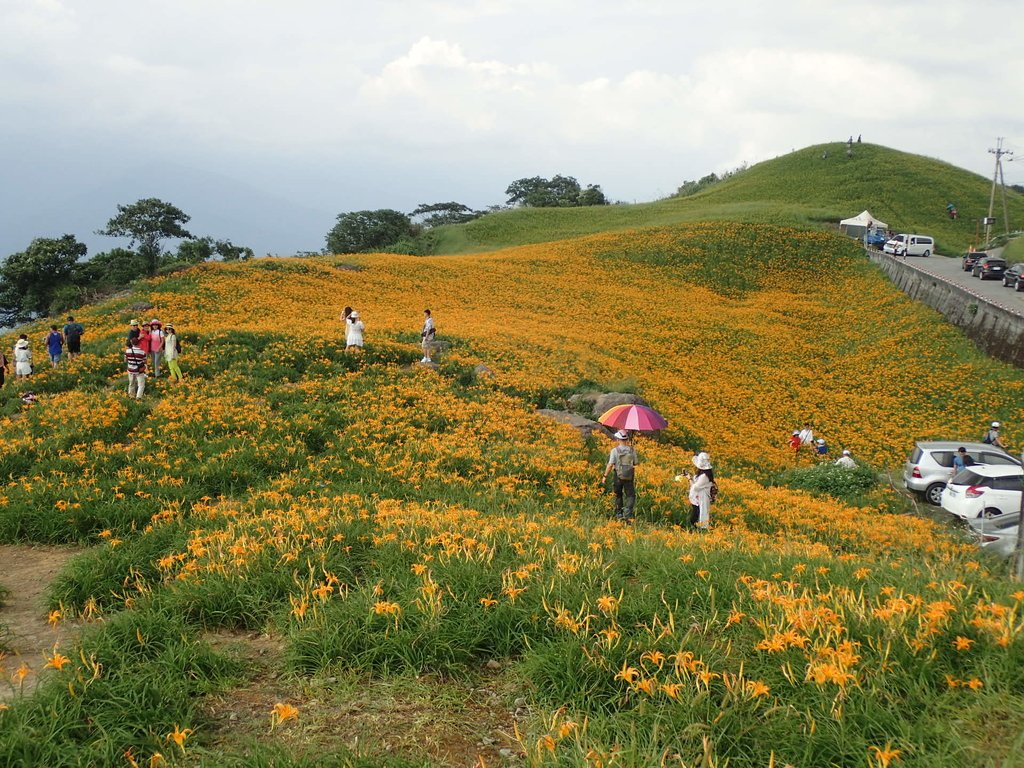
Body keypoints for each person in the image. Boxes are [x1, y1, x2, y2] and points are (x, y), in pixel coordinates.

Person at [602, 430, 639, 521]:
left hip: (618, 475)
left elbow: (610, 464)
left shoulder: (615, 450)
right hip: (629, 476)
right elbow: (636, 463)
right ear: (626, 439)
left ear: (618, 439)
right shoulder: (632, 450)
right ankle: (628, 513)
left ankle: (619, 514)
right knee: (631, 495)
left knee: (618, 495)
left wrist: (605, 476)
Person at [683, 452, 714, 529]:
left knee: (697, 518)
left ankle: (699, 532)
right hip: (697, 499)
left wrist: (689, 478)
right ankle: (697, 531)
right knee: (696, 518)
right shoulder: (703, 474)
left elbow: (695, 488)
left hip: (701, 499)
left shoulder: (704, 476)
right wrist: (689, 477)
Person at [125, 332, 147, 400]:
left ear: (132, 343)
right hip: (139, 370)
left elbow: (125, 360)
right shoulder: (142, 352)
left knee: (131, 383)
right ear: (139, 343)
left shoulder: (127, 351)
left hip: (130, 370)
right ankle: (138, 397)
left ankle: (131, 396)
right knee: (141, 384)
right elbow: (145, 361)